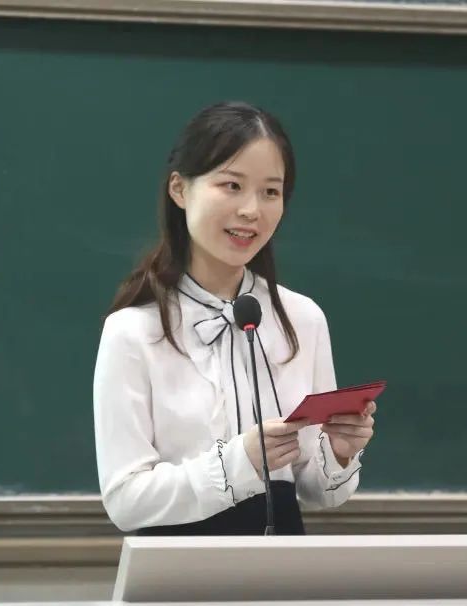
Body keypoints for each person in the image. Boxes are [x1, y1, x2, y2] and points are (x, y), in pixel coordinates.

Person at [93, 101, 377, 535]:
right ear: (179, 189)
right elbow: (125, 501)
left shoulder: (303, 319)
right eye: (231, 185)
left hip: (283, 565)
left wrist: (339, 451)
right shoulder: (132, 332)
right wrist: (238, 463)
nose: (251, 210)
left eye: (270, 192)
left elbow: (319, 493)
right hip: (179, 567)